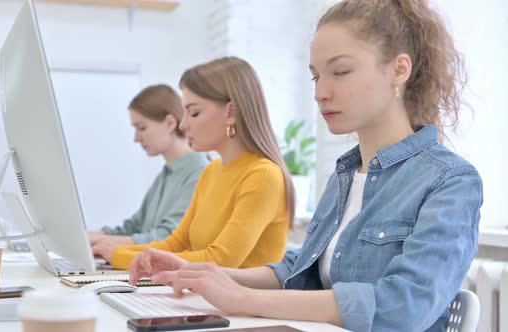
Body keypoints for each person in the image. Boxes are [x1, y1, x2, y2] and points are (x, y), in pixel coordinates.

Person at [127, 1, 484, 331]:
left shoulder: (449, 181)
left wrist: (245, 299)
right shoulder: (346, 174)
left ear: (398, 70)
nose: (320, 92)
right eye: (316, 76)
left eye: (340, 72)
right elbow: (300, 272)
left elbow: (402, 306)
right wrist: (204, 273)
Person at [94, 57, 295, 270]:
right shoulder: (211, 172)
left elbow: (220, 260)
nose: (184, 124)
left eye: (194, 112)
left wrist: (118, 255)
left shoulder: (263, 175)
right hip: (204, 299)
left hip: (240, 302)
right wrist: (108, 250)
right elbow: (176, 244)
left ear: (231, 112)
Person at [89, 84, 208, 251]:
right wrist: (95, 236)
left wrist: (102, 243)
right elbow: (136, 227)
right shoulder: (166, 174)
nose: (136, 138)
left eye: (142, 128)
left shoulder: (200, 172)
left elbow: (168, 237)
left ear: (170, 123)